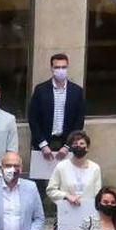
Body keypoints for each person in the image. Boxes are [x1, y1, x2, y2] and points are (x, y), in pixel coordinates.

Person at [27, 52, 87, 195]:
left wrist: (68, 145)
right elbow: (33, 118)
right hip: (44, 144)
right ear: (51, 68)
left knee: (65, 183)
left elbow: (79, 120)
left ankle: (61, 215)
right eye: (57, 67)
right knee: (39, 185)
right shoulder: (41, 90)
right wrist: (42, 144)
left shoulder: (77, 91)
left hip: (66, 143)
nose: (61, 70)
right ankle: (41, 214)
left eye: (63, 67)